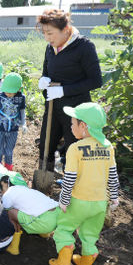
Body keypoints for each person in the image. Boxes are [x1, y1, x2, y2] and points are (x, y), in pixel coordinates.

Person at [49, 102, 119, 265]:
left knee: (64, 229)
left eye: (73, 123)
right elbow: (112, 175)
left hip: (78, 201)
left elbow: (70, 178)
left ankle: (64, 261)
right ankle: (85, 264)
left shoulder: (75, 149)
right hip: (99, 204)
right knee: (90, 234)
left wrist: (63, 201)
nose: (71, 127)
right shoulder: (108, 147)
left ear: (83, 126)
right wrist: (114, 197)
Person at [36, 9, 102, 170]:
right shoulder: (50, 48)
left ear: (65, 30)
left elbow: (96, 80)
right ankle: (44, 181)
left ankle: (75, 186)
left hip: (76, 111)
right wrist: (44, 81)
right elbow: (47, 72)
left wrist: (64, 90)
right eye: (44, 33)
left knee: (74, 149)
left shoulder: (84, 47)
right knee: (46, 145)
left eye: (50, 33)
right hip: (53, 108)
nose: (47, 38)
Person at [0, 174, 60, 255]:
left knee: (10, 212)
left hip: (44, 223)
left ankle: (14, 247)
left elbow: (5, 208)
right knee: (32, 208)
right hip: (57, 216)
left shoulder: (9, 192)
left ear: (7, 185)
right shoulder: (27, 190)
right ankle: (45, 234)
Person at [0, 72, 27, 171]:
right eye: (6, 91)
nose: (8, 93)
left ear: (18, 89)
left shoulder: (21, 98)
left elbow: (22, 112)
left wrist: (24, 124)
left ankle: (8, 169)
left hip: (13, 130)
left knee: (9, 152)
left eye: (11, 91)